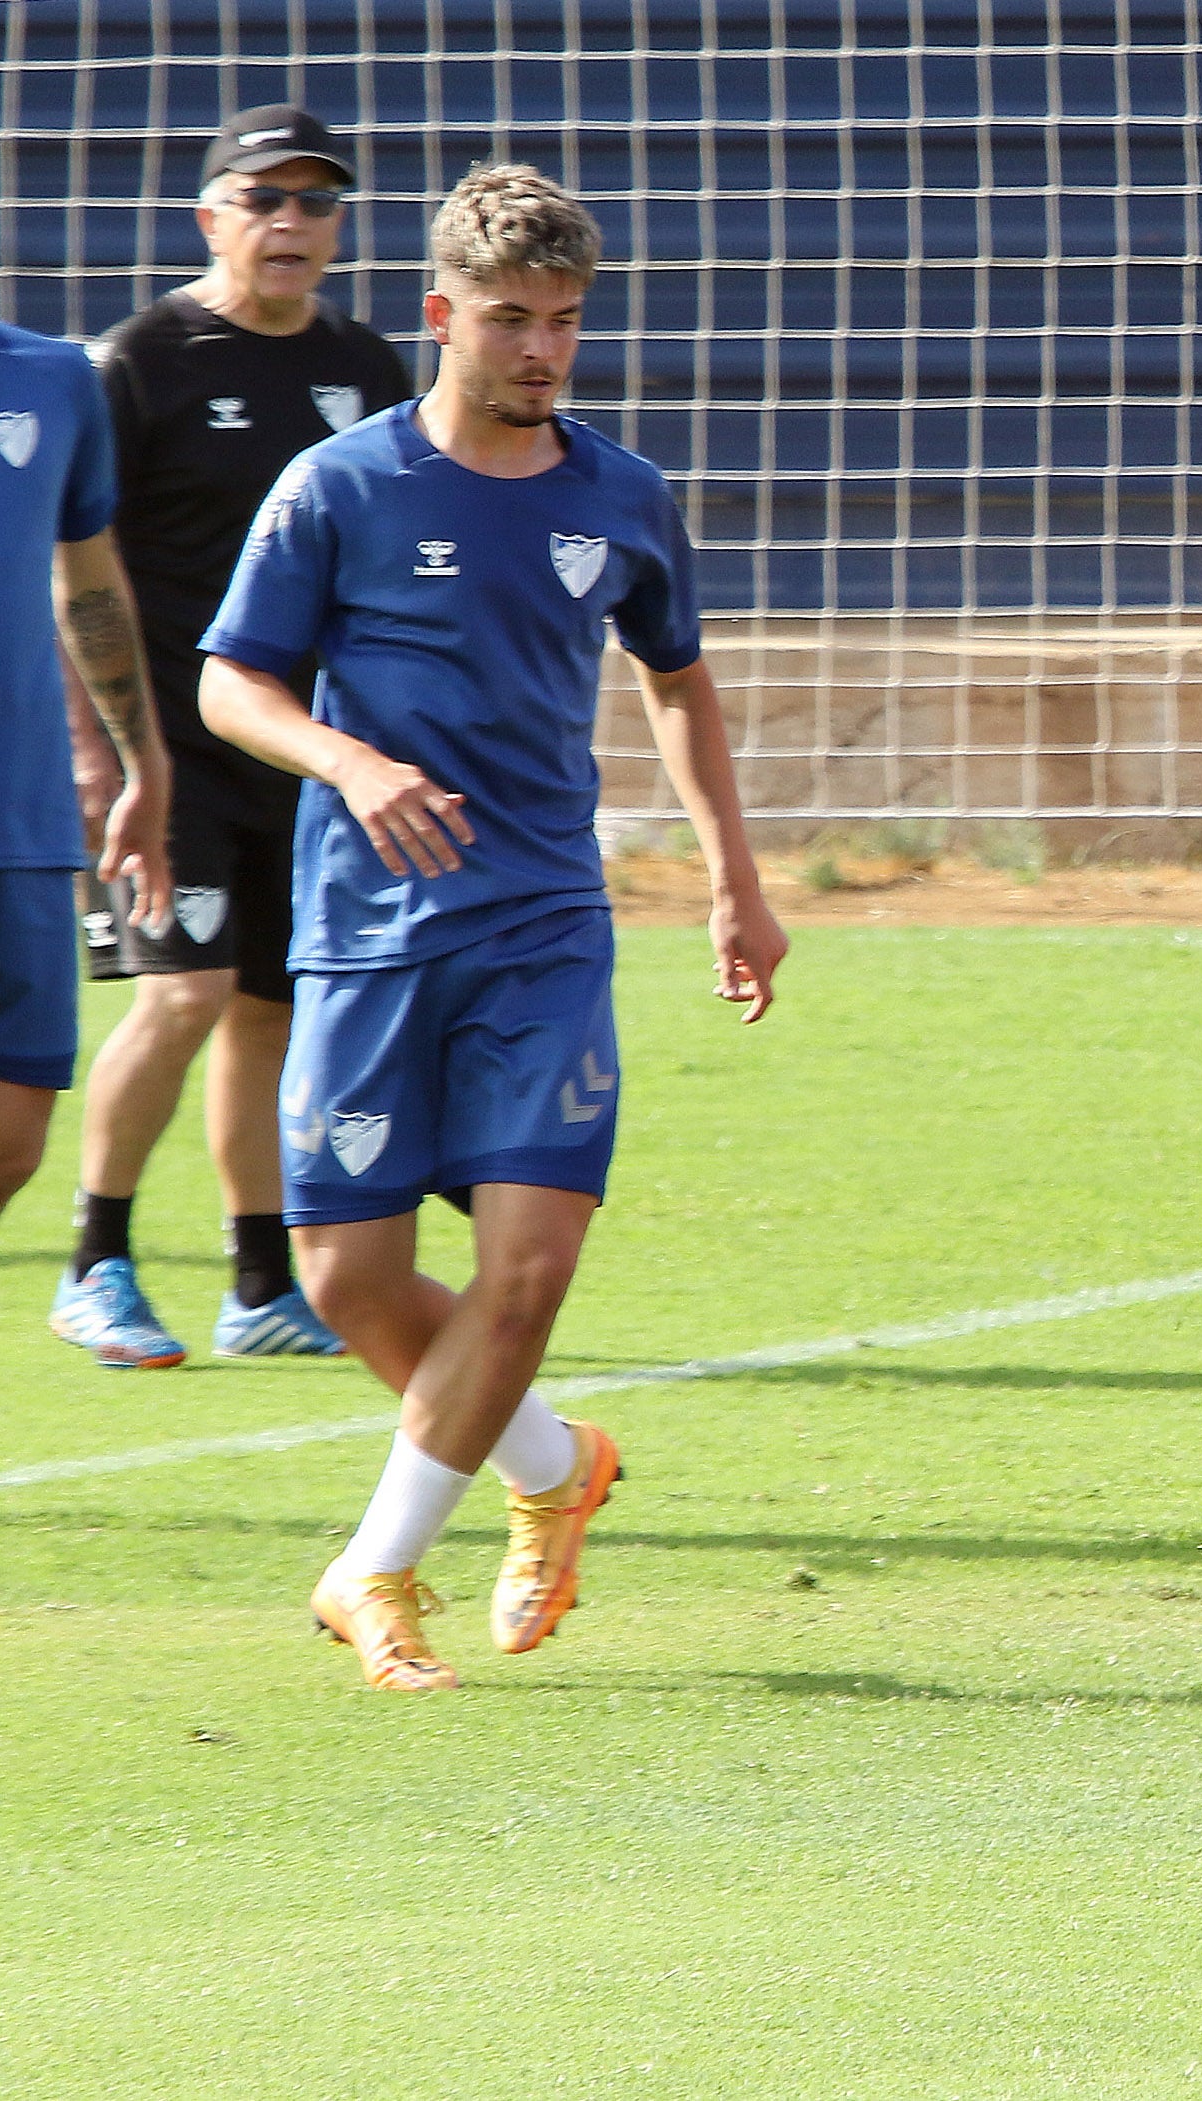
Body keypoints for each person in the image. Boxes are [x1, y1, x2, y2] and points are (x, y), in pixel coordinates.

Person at [196, 165, 786, 1687]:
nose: (542, 350)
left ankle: (374, 1570)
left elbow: (675, 679)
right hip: (364, 930)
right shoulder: (343, 487)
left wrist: (734, 873)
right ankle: (550, 1463)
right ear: (442, 316)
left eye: (567, 322)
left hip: (540, 926)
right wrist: (352, 759)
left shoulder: (619, 495)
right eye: (512, 320)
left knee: (528, 1268)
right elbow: (232, 682)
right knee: (345, 1282)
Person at [53, 104, 416, 1369]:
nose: (292, 224)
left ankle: (260, 1281)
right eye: (267, 200)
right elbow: (73, 564)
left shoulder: (366, 370)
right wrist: (102, 755)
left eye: (316, 204)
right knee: (184, 992)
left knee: (269, 1008)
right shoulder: (137, 363)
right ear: (212, 216)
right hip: (167, 751)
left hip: (293, 747)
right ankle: (96, 1258)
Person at [0, 88, 173, 1532]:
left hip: (17, 832)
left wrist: (137, 759)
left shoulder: (51, 379)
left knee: (7, 1136)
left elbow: (87, 578)